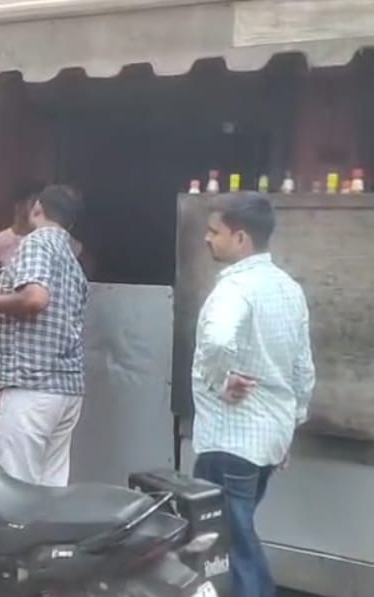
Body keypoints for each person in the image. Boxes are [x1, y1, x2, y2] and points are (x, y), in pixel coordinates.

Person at [191, 193, 314, 597]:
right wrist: (291, 423)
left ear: (240, 237)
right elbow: (303, 367)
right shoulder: (288, 289)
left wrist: (217, 380)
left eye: (214, 231)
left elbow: (217, 339)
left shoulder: (236, 288)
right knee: (236, 533)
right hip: (267, 440)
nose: (207, 239)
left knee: (230, 540)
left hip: (231, 439)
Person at [0, 185, 89, 487]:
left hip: (30, 385)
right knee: (51, 485)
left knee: (17, 487)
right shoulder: (70, 255)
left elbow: (35, 298)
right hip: (65, 389)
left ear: (37, 209)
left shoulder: (36, 243)